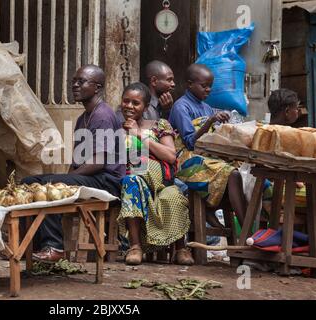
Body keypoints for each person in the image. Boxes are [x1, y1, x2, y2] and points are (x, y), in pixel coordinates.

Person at [22, 65, 126, 263]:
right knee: (28, 182)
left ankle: (54, 247)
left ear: (97, 87)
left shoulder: (102, 115)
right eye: (74, 81)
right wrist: (67, 179)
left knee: (50, 186)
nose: (75, 85)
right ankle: (27, 244)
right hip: (91, 178)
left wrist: (62, 182)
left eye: (81, 81)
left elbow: (98, 162)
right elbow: (76, 163)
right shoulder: (83, 118)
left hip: (108, 181)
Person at [117, 82, 193, 266]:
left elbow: (169, 155)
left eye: (135, 103)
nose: (129, 106)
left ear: (145, 107)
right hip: (136, 182)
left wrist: (138, 134)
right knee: (131, 181)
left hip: (163, 184)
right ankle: (135, 247)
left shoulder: (159, 125)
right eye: (126, 101)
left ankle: (180, 248)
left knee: (173, 197)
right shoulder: (115, 128)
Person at [169, 64, 247, 227]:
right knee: (231, 174)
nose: (208, 90)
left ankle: (211, 212)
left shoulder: (206, 107)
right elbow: (190, 142)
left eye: (210, 86)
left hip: (204, 157)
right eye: (204, 86)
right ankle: (246, 231)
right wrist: (211, 120)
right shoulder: (181, 107)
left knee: (241, 172)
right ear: (190, 84)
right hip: (185, 161)